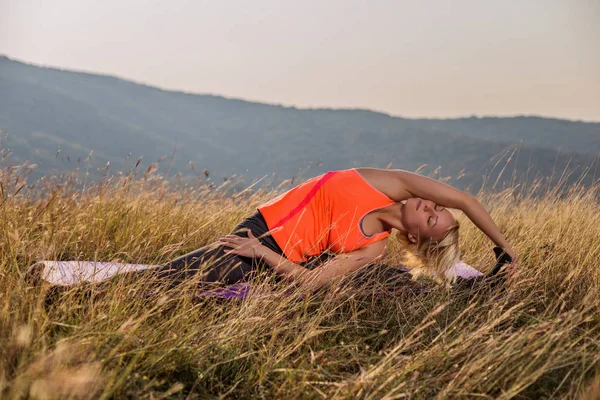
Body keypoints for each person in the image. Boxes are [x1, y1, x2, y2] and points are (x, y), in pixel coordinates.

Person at [139, 167, 516, 292]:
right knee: (164, 280)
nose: (431, 206)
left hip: (267, 256)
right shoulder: (390, 183)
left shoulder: (373, 249)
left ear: (415, 237)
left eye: (432, 218)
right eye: (436, 206)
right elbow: (466, 200)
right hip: (259, 229)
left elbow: (311, 282)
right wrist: (504, 249)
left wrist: (263, 254)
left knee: (162, 287)